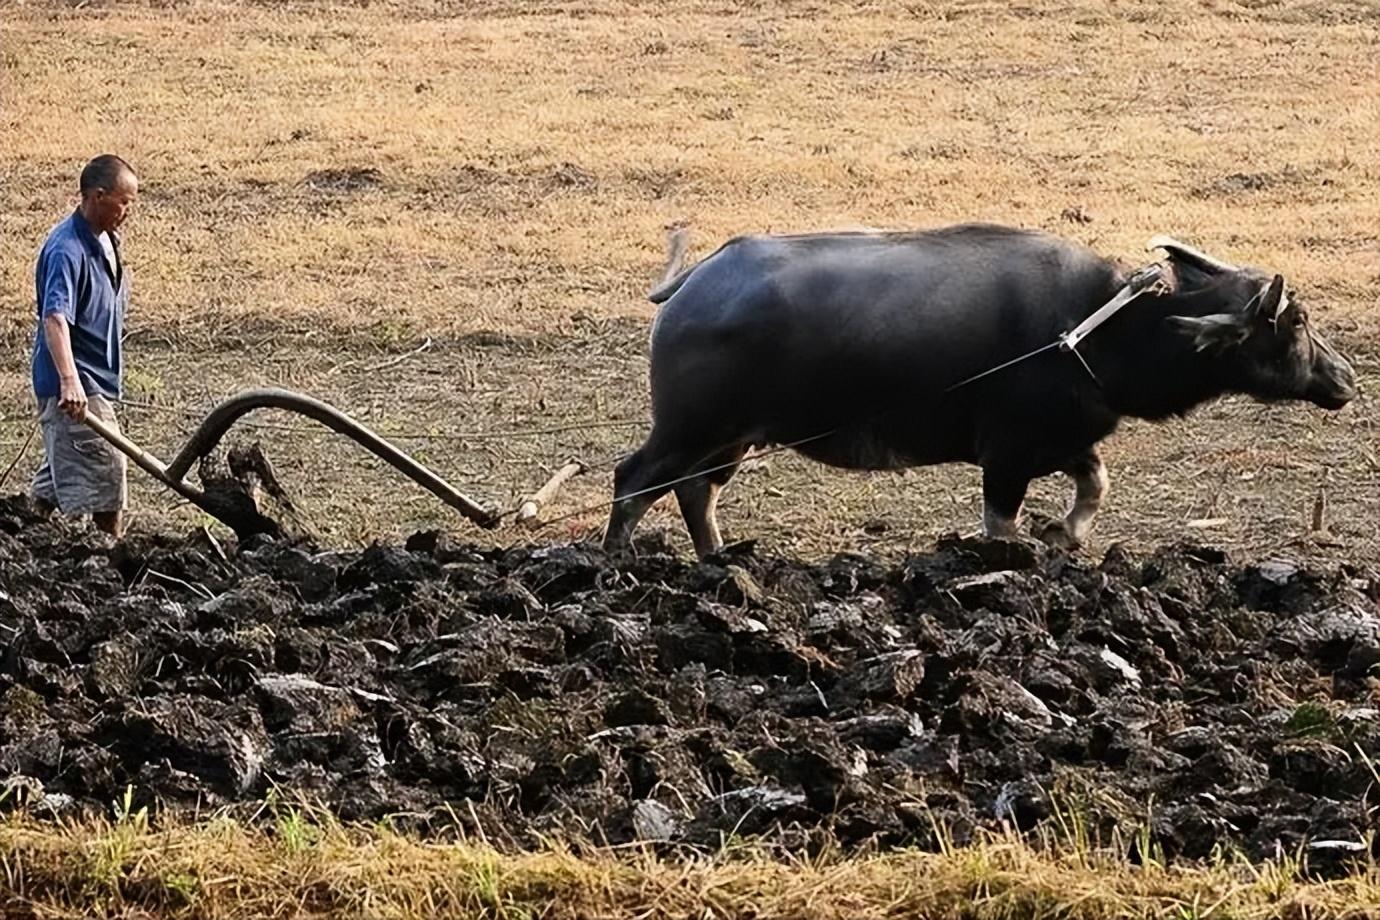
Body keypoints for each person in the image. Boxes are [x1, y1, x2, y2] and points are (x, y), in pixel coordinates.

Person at [29, 154, 138, 538]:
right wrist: (69, 381)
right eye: (123, 202)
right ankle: (111, 561)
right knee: (110, 472)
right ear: (97, 195)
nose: (128, 210)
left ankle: (23, 530)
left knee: (62, 469)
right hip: (76, 386)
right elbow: (54, 318)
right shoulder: (66, 249)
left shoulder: (106, 239)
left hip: (94, 378)